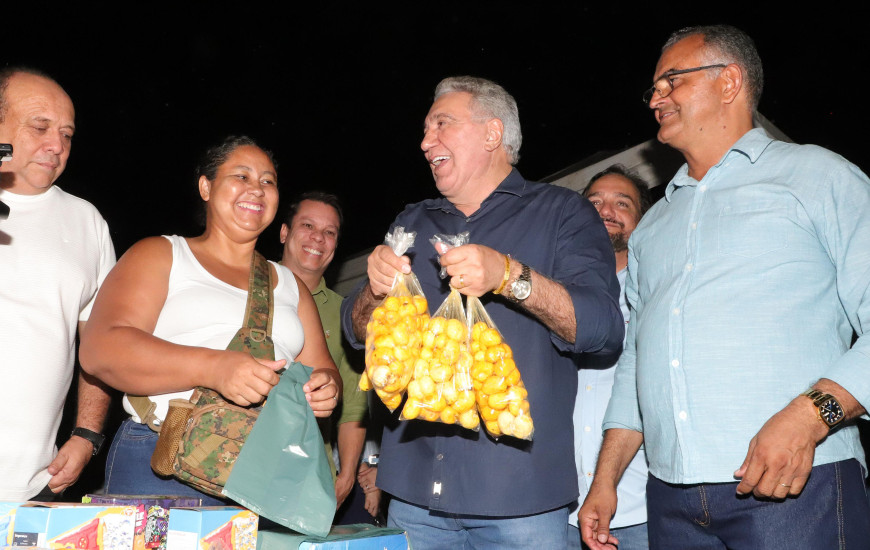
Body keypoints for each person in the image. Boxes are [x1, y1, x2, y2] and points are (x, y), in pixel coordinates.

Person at [579, 25, 870, 550]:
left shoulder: (818, 177)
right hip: (670, 500)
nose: (656, 99)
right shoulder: (655, 226)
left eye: (671, 81)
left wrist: (810, 416)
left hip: (792, 489)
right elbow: (635, 365)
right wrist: (606, 481)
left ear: (730, 81)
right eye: (654, 89)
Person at [340, 76, 624, 549]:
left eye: (441, 124)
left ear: (493, 134)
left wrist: (510, 276)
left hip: (520, 501)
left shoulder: (563, 213)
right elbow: (356, 333)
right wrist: (372, 291)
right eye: (426, 129)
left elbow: (602, 328)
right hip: (412, 499)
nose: (426, 141)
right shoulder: (412, 221)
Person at [79, 136, 341, 504]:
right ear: (206, 186)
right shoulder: (161, 254)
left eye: (268, 181)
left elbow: (323, 371)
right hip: (165, 461)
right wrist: (214, 367)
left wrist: (326, 389)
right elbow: (100, 349)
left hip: (264, 471)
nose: (257, 189)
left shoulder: (290, 285)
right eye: (242, 176)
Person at [0, 67, 115, 501]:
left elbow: (101, 341)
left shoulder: (86, 222)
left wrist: (87, 435)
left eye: (66, 133)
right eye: (40, 127)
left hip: (33, 486)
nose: (57, 146)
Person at [277, 191, 375, 522]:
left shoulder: (345, 313)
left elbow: (354, 404)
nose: (318, 237)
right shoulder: (246, 289)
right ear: (284, 232)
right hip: (233, 463)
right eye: (307, 225)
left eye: (329, 232)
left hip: (307, 476)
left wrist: (346, 475)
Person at [569, 165, 652, 549]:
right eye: (595, 201)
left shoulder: (655, 293)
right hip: (555, 510)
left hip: (638, 508)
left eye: (623, 203)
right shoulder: (550, 294)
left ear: (642, 222)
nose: (606, 210)